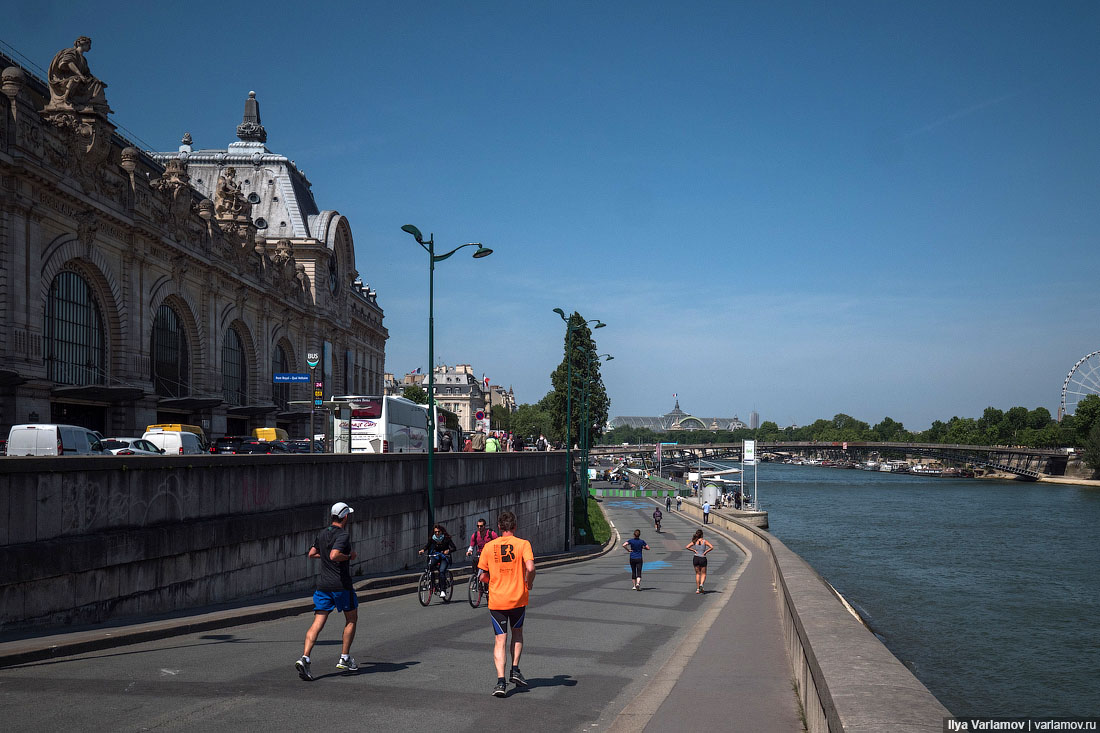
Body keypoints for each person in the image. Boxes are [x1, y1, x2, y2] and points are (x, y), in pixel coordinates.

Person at [295, 501, 359, 681]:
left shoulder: (323, 533)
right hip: (341, 586)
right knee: (351, 619)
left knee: (318, 622)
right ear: (345, 516)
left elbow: (312, 553)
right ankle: (345, 657)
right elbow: (334, 555)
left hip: (323, 586)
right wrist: (348, 557)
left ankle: (305, 657)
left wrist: (328, 556)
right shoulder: (344, 535)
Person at [478, 510, 536, 697]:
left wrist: (492, 581)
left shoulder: (489, 546)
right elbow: (530, 567)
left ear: (499, 527)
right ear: (515, 526)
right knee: (517, 633)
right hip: (518, 597)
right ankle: (515, 669)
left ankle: (500, 682)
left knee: (499, 640)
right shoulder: (523, 544)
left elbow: (482, 575)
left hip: (497, 600)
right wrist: (529, 582)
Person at [418, 524, 457, 599]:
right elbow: (427, 546)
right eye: (435, 532)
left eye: (438, 532)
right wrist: (422, 550)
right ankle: (432, 583)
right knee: (430, 566)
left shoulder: (446, 539)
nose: (437, 533)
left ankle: (443, 590)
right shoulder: (433, 539)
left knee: (442, 571)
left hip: (445, 557)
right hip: (436, 556)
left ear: (441, 532)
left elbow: (454, 548)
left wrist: (448, 550)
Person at [685, 529, 714, 594]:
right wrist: (705, 552)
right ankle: (701, 585)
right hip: (702, 558)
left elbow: (687, 547)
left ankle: (698, 589)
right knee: (703, 573)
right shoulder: (705, 541)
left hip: (696, 558)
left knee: (698, 574)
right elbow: (712, 547)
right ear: (702, 535)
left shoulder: (695, 541)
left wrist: (694, 550)